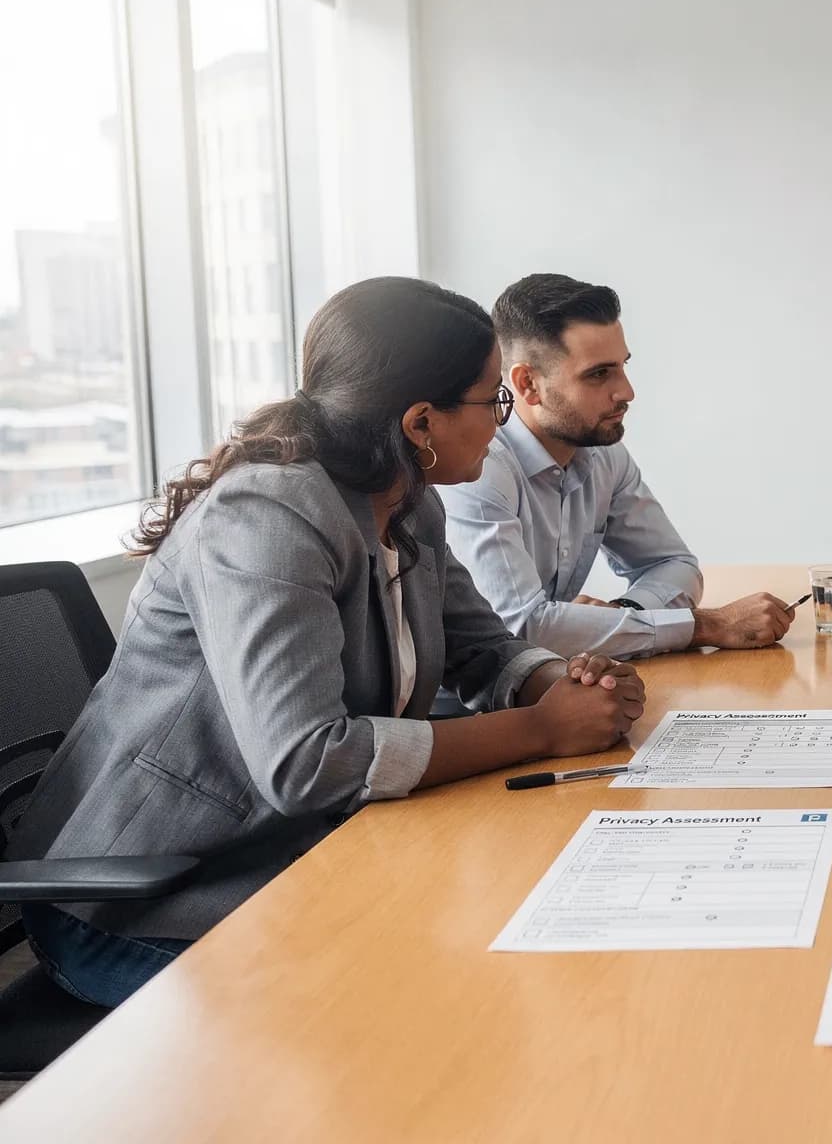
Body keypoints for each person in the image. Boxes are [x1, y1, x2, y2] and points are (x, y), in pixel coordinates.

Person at [6, 277, 645, 1007]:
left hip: (298, 852)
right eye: (492, 399)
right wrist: (541, 729)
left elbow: (481, 645)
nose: (503, 422)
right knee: (417, 1004)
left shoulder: (407, 505)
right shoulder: (267, 517)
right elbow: (306, 760)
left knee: (497, 938)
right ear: (420, 423)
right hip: (147, 898)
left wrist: (565, 683)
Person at [437, 273, 791, 661]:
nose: (627, 392)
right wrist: (707, 625)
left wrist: (627, 613)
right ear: (528, 384)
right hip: (473, 694)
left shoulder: (603, 453)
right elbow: (520, 628)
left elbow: (674, 564)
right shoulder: (479, 467)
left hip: (551, 680)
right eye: (599, 374)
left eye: (623, 366)